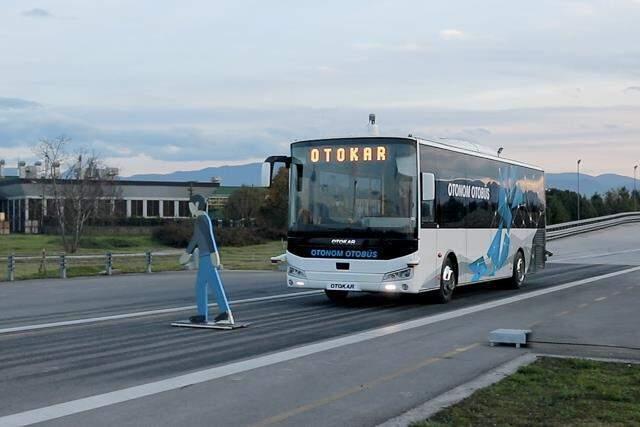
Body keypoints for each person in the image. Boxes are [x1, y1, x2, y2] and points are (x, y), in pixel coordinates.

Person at [179, 194, 234, 325]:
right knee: (201, 285)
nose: (190, 209)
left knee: (214, 285)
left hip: (207, 257)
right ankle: (203, 314)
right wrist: (188, 253)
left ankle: (225, 313)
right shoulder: (201, 219)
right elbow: (196, 238)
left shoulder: (202, 218)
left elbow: (208, 237)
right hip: (205, 256)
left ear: (197, 205)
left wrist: (214, 253)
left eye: (190, 206)